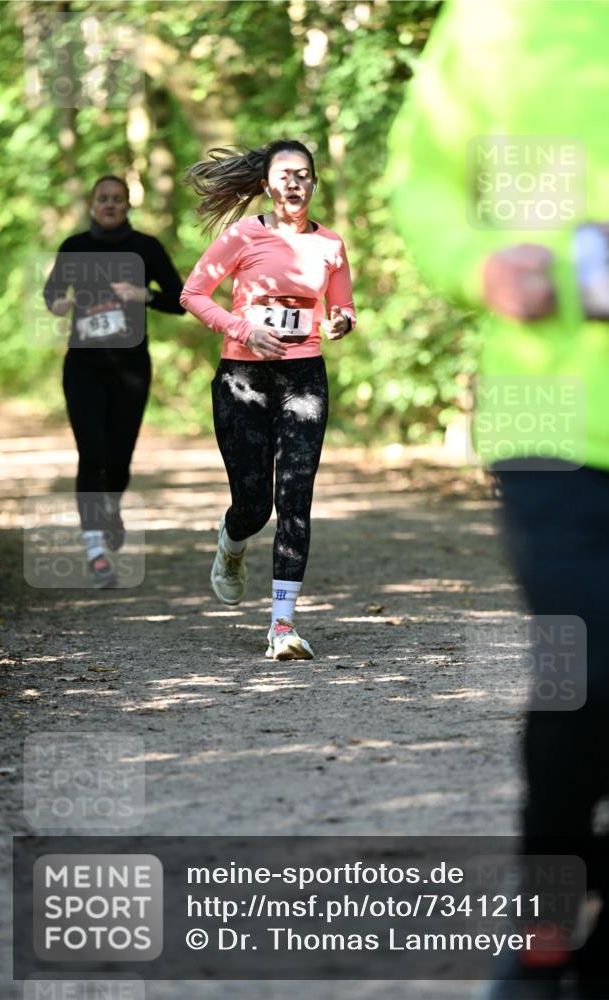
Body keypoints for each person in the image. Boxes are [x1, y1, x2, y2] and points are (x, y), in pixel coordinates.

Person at [388, 2, 609, 998]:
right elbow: (423, 184)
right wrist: (478, 263)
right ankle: (544, 921)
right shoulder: (497, 21)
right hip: (554, 409)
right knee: (603, 669)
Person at [180, 139, 356, 660]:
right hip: (242, 378)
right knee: (255, 506)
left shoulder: (332, 245)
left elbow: (342, 306)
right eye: (284, 175)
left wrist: (343, 320)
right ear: (267, 184)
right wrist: (242, 329)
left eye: (303, 174)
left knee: (295, 500)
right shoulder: (243, 235)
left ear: (315, 183)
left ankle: (283, 625)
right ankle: (232, 544)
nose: (293, 183)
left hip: (305, 376)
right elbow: (192, 294)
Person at [44, 175, 185, 587]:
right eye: (102, 199)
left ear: (127, 205)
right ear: (91, 204)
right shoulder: (73, 247)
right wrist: (60, 304)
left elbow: (179, 299)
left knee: (119, 457)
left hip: (131, 369)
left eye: (117, 199)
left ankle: (111, 507)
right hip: (83, 367)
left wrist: (143, 295)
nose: (109, 205)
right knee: (92, 452)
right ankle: (95, 551)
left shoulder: (145, 248)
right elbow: (51, 295)